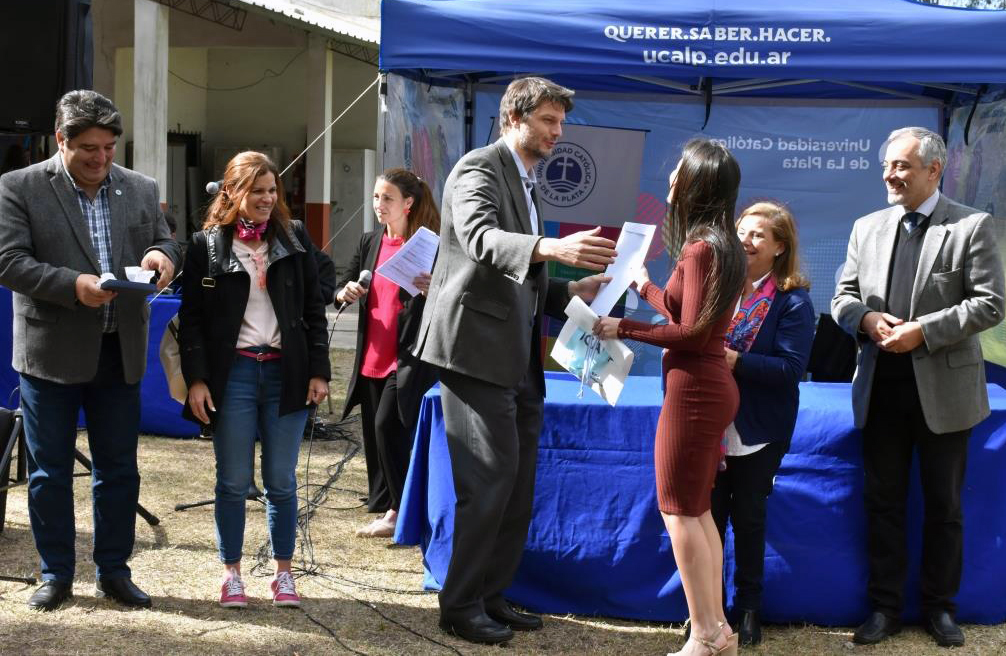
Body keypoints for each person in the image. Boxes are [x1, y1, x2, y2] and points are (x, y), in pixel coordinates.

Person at [415, 76, 617, 645]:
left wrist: (570, 291)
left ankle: (491, 594)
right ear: (514, 119)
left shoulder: (529, 181)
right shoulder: (478, 169)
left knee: (517, 482)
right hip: (472, 352)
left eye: (560, 123)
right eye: (549, 122)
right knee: (488, 481)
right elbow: (480, 239)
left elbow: (521, 276)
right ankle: (460, 604)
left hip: (519, 354)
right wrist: (551, 248)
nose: (558, 133)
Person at [0, 90, 180, 611]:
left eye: (107, 148)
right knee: (49, 470)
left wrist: (160, 256)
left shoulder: (140, 189)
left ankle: (114, 572)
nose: (100, 159)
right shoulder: (20, 187)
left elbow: (168, 242)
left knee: (119, 469)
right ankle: (55, 572)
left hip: (118, 350)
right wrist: (72, 284)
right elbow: (9, 261)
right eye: (87, 149)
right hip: (49, 352)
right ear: (61, 141)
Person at [832, 127, 1004, 648]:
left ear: (935, 170)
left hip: (945, 393)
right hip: (881, 388)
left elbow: (989, 303)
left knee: (944, 507)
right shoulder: (867, 227)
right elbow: (841, 295)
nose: (891, 174)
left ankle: (940, 608)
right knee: (883, 503)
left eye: (903, 165)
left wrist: (922, 331)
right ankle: (884, 608)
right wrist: (864, 319)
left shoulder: (972, 226)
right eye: (888, 164)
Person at [594, 138, 747, 656]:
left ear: (695, 181)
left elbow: (691, 334)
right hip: (705, 387)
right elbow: (690, 317)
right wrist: (646, 288)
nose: (672, 177)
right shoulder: (720, 244)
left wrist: (624, 327)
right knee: (696, 510)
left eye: (679, 170)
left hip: (695, 390)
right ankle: (717, 629)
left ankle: (704, 633)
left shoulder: (701, 247)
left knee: (679, 510)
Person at [177, 151, 331, 609]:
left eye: (271, 191)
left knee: (281, 481)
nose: (267, 199)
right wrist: (198, 380)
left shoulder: (294, 237)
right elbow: (192, 323)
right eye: (256, 191)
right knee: (233, 480)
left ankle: (284, 574)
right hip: (235, 375)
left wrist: (319, 370)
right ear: (232, 192)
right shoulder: (205, 245)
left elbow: (313, 311)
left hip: (287, 372)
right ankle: (232, 575)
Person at [711, 201, 816, 646]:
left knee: (749, 519)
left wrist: (735, 360)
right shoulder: (718, 286)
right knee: (708, 522)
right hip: (710, 423)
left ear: (779, 247)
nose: (745, 241)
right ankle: (708, 613)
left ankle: (749, 609)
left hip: (758, 429)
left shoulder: (793, 301)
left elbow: (791, 370)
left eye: (757, 235)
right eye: (741, 231)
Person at [336, 168, 439, 537]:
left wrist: (433, 291)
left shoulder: (431, 246)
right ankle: (386, 505)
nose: (379, 205)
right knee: (376, 434)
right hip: (372, 354)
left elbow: (451, 300)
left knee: (388, 427)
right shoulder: (370, 241)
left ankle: (400, 512)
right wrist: (344, 292)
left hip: (410, 355)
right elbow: (343, 282)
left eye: (388, 198)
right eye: (377, 197)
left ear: (408, 203)